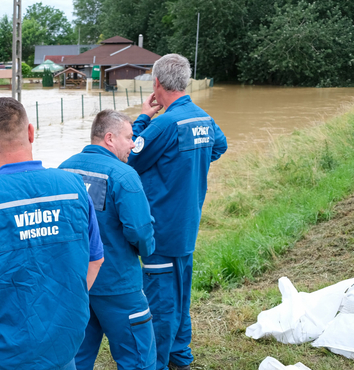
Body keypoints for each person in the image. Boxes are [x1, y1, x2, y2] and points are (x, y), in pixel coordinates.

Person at [0, 97, 105, 370]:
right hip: (63, 339)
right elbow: (96, 259)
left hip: (1, 348)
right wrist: (71, 304)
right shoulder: (73, 186)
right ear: (31, 132)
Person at [127, 54, 227, 370]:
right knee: (181, 296)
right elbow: (219, 146)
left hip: (162, 229)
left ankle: (157, 362)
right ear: (184, 81)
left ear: (157, 84)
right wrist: (188, 167)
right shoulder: (203, 118)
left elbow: (130, 158)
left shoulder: (165, 124)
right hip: (187, 226)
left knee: (161, 303)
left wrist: (143, 117)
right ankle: (180, 356)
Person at [59, 110, 157, 370]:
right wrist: (147, 251)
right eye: (129, 137)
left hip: (77, 283)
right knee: (137, 357)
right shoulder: (123, 176)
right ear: (110, 138)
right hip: (118, 284)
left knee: (77, 357)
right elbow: (140, 231)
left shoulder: (63, 170)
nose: (134, 144)